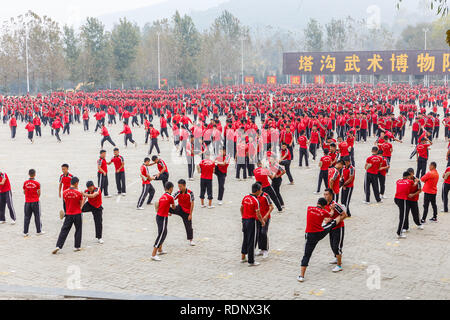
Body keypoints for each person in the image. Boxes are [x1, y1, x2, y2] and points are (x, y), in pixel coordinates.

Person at [297, 197, 346, 282]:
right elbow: (330, 215)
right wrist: (332, 209)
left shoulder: (309, 208)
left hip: (309, 235)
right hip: (320, 233)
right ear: (324, 206)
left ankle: (301, 276)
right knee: (332, 224)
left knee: (306, 255)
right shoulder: (323, 212)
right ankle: (339, 265)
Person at [52, 177, 84, 254]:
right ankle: (77, 246)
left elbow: (65, 202)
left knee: (64, 230)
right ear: (76, 183)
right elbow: (80, 204)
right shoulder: (79, 193)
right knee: (78, 230)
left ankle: (58, 246)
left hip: (68, 213)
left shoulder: (65, 192)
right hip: (77, 213)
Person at [240, 183, 265, 267]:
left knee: (245, 238)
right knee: (252, 240)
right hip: (251, 221)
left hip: (244, 220)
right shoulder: (255, 200)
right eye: (261, 190)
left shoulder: (245, 197)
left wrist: (243, 217)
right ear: (257, 191)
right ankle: (251, 261)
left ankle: (243, 257)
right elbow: (258, 214)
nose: (261, 191)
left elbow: (241, 208)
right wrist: (262, 222)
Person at [323, 188, 346, 273]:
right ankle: (336, 258)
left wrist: (336, 221)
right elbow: (326, 215)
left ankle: (339, 265)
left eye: (327, 194)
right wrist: (328, 219)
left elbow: (344, 215)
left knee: (337, 246)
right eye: (324, 194)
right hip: (331, 228)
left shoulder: (335, 205)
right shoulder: (325, 204)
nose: (325, 196)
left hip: (338, 228)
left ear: (331, 195)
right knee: (332, 245)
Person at [152, 182, 176, 261]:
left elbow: (162, 207)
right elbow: (173, 207)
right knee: (161, 234)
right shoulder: (170, 197)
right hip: (163, 218)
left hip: (158, 216)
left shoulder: (162, 196)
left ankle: (160, 249)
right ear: (171, 188)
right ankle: (153, 254)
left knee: (163, 233)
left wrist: (167, 212)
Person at [394, 171, 418, 239]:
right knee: (403, 217)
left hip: (396, 199)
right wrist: (416, 181)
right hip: (402, 200)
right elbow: (414, 185)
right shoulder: (410, 181)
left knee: (402, 214)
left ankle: (401, 230)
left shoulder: (398, 181)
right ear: (408, 176)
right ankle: (399, 232)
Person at [171, 179, 195, 246]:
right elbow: (172, 198)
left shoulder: (190, 193)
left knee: (189, 227)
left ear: (184, 185)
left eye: (180, 186)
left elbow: (192, 204)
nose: (179, 188)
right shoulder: (178, 192)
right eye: (178, 186)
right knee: (169, 208)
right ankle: (164, 211)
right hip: (180, 208)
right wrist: (172, 205)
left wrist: (190, 214)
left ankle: (191, 240)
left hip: (187, 212)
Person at [23, 169, 44, 236]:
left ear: (28, 174)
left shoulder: (25, 183)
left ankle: (25, 232)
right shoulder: (37, 183)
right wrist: (36, 197)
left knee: (27, 217)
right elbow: (39, 193)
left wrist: (28, 196)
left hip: (27, 202)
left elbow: (24, 191)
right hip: (35, 201)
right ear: (35, 174)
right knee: (37, 216)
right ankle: (38, 231)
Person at [255, 183, 274, 259]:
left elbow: (271, 207)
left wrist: (266, 216)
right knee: (259, 233)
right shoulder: (255, 196)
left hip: (265, 218)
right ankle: (261, 249)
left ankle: (266, 249)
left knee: (263, 232)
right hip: (257, 218)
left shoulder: (266, 196)